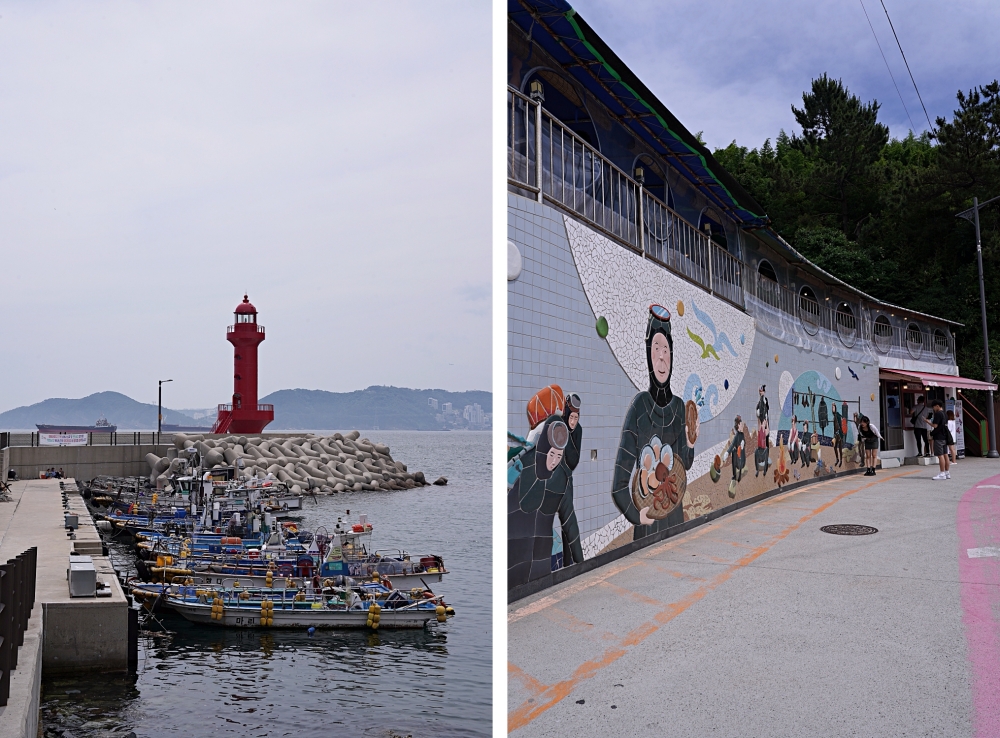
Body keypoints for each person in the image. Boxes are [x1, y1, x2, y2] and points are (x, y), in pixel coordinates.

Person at [612, 304, 698, 540]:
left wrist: (690, 442)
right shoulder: (639, 407)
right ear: (648, 355)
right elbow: (619, 485)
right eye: (656, 348)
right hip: (647, 524)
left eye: (666, 349)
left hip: (675, 518)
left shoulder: (680, 407)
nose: (662, 356)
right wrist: (636, 516)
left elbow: (684, 465)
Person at [928, 400, 951, 480]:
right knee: (945, 455)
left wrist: (928, 422)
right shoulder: (945, 414)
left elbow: (935, 426)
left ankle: (942, 473)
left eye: (934, 407)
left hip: (938, 437)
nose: (933, 409)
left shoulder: (938, 414)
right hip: (945, 436)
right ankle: (947, 472)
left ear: (937, 406)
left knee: (940, 456)